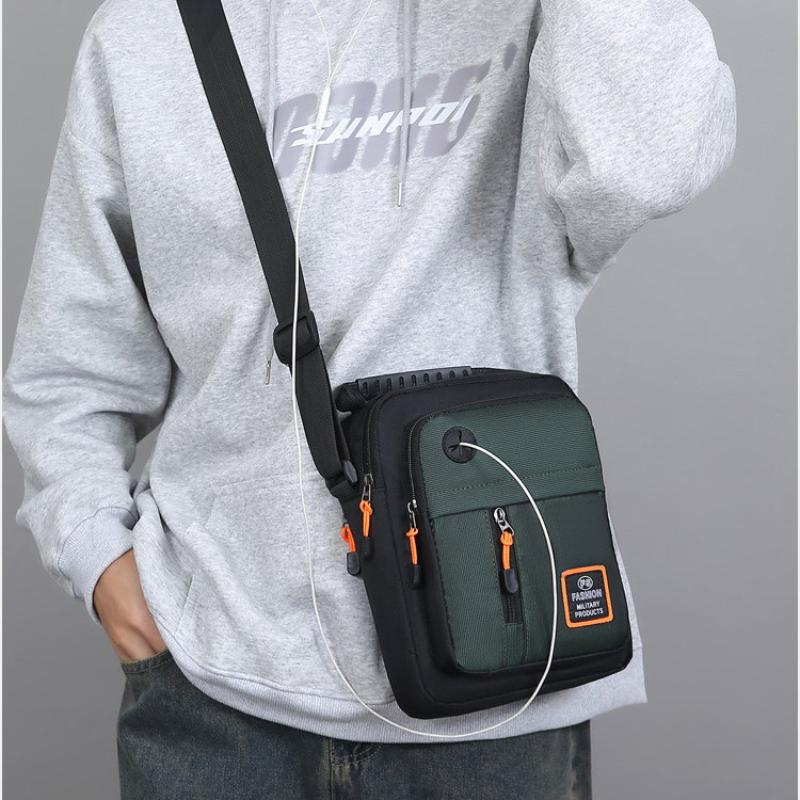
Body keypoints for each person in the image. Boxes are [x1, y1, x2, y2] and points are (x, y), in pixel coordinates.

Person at [3, 0, 736, 797]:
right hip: (212, 699)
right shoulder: (142, 35)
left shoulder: (537, 15)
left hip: (498, 688)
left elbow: (648, 168)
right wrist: (99, 559)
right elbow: (69, 369)